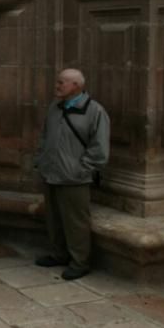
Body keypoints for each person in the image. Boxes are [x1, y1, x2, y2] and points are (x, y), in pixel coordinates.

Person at [32, 68, 110, 280]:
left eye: (61, 83)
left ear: (76, 86)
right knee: (54, 219)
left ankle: (80, 262)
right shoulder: (54, 108)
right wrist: (40, 160)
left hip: (74, 179)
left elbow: (100, 149)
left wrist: (81, 170)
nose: (57, 86)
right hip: (51, 173)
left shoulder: (95, 112)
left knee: (76, 222)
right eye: (58, 82)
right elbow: (45, 136)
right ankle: (59, 254)